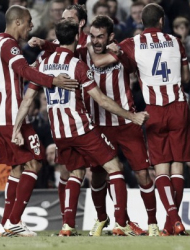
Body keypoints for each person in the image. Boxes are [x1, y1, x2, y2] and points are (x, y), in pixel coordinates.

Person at [11, 20, 149, 237]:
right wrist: (132, 116)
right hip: (81, 129)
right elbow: (102, 100)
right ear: (77, 37)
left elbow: (28, 98)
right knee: (115, 167)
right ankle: (121, 223)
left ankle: (67, 226)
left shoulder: (44, 62)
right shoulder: (77, 65)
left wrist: (16, 128)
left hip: (59, 133)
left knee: (76, 171)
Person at [88, 3, 190, 236]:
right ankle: (170, 223)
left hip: (154, 110)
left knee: (160, 169)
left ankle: (173, 221)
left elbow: (98, 62)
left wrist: (115, 50)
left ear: (141, 23)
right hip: (178, 106)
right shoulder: (177, 41)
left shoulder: (133, 43)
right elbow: (186, 76)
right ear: (162, 21)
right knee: (178, 167)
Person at [0, 5, 78, 237]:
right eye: (29, 21)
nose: (31, 26)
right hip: (13, 114)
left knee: (17, 167)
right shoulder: (8, 44)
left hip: (5, 115)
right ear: (18, 22)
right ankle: (14, 220)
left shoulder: (3, 44)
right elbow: (23, 71)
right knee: (36, 160)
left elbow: (18, 71)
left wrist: (35, 67)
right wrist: (53, 80)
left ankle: (6, 223)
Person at [79, 15, 158, 236]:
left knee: (142, 173)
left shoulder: (123, 50)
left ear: (111, 36)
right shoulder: (84, 51)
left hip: (126, 123)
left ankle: (152, 223)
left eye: (100, 37)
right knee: (97, 175)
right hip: (99, 125)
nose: (95, 41)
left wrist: (121, 53)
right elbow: (91, 59)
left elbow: (134, 66)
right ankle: (102, 219)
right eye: (92, 36)